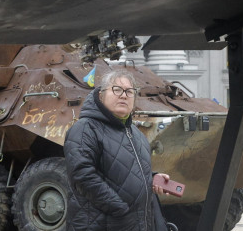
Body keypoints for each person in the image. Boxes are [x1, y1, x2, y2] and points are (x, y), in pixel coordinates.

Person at [65, 69, 171, 231]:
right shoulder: (86, 128)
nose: (123, 95)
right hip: (102, 223)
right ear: (101, 95)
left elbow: (125, 171)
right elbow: (82, 176)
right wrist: (119, 210)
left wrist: (151, 178)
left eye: (129, 91)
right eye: (117, 89)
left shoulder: (136, 133)